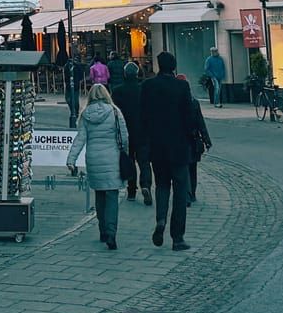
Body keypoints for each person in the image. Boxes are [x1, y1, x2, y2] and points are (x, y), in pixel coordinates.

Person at [138, 51, 197, 250]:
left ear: (158, 65)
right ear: (173, 67)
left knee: (162, 185)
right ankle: (178, 237)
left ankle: (161, 219)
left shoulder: (147, 86)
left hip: (157, 146)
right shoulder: (182, 86)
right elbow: (190, 118)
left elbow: (143, 117)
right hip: (179, 147)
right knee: (180, 191)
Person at [66, 83, 130, 250]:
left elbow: (80, 139)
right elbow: (124, 136)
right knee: (112, 196)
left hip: (94, 159)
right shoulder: (115, 112)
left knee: (100, 195)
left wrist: (71, 159)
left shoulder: (86, 114)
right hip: (112, 157)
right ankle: (111, 232)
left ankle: (102, 230)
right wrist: (125, 152)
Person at [109, 60, 146, 202]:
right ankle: (146, 184)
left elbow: (114, 113)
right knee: (144, 161)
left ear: (124, 74)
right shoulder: (143, 89)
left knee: (130, 160)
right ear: (137, 74)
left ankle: (131, 191)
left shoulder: (118, 91)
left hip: (125, 131)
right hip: (142, 131)